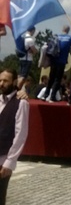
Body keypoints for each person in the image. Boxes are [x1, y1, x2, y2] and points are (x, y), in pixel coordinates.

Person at [0, 68, 30, 205]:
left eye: (5, 81)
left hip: (2, 159)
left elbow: (21, 134)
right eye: (0, 80)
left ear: (14, 82)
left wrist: (10, 161)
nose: (2, 83)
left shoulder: (21, 103)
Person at [45, 25, 71, 102]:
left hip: (54, 59)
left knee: (51, 78)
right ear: (68, 30)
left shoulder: (56, 36)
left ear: (62, 29)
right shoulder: (70, 38)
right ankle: (52, 96)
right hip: (62, 61)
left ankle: (46, 94)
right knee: (57, 79)